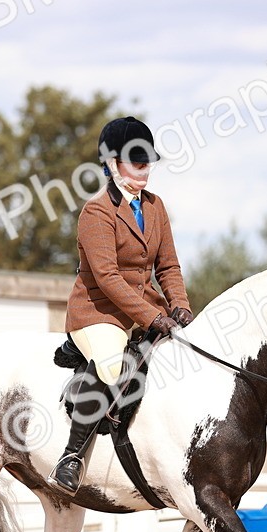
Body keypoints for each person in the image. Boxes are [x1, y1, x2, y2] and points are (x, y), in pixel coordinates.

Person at [49, 116, 194, 493]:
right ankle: (71, 457)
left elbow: (169, 265)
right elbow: (108, 278)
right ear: (113, 164)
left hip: (146, 311)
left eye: (148, 161)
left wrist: (179, 305)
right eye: (136, 160)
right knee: (113, 365)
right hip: (99, 313)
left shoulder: (156, 206)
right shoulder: (96, 212)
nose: (145, 168)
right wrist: (153, 315)